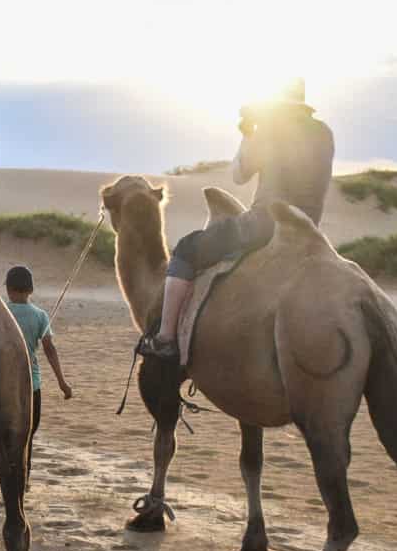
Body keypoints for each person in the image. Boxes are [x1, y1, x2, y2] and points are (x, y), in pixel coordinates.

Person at [139, 80, 334, 362]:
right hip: (309, 227)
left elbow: (239, 174)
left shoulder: (271, 129)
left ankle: (166, 337)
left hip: (266, 223)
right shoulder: (324, 132)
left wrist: (248, 134)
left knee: (186, 249)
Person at [3, 265, 73, 439]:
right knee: (28, 434)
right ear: (31, 289)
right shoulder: (40, 316)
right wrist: (62, 382)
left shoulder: (0, 311)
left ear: (8, 289)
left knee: (5, 435)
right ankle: (24, 465)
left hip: (3, 383)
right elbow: (50, 350)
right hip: (31, 385)